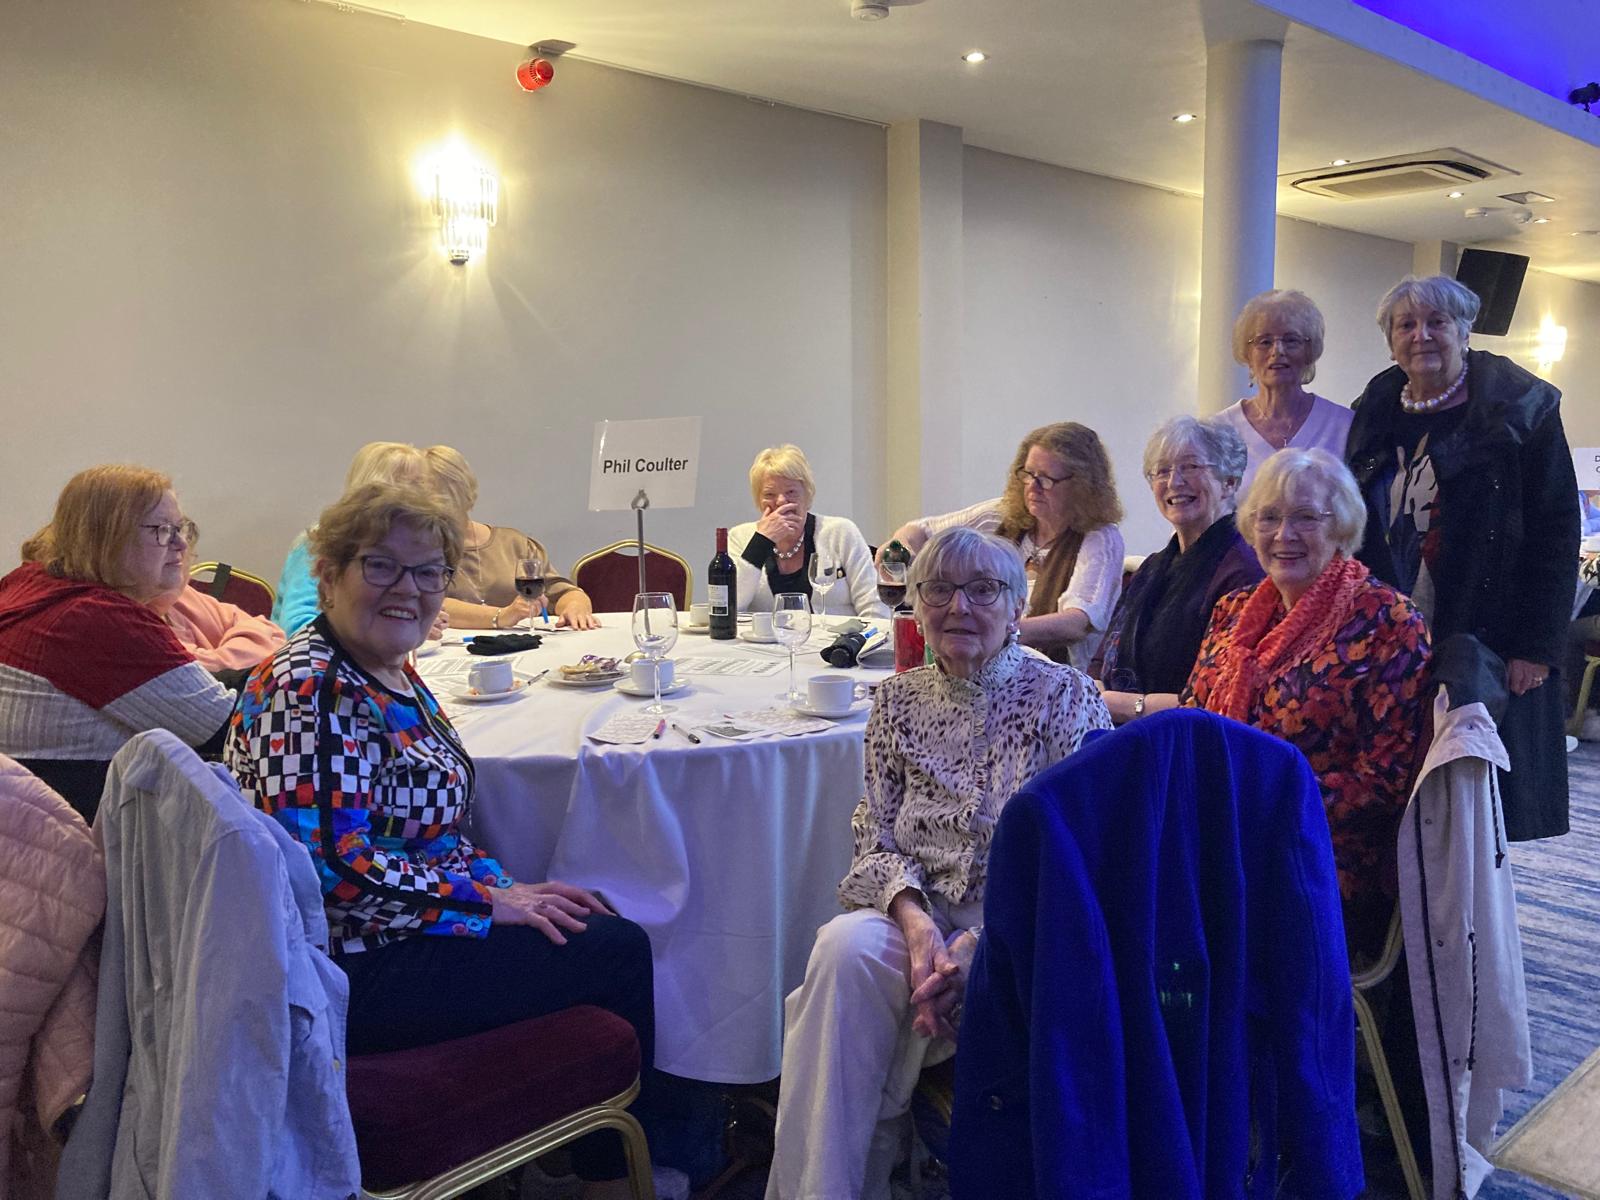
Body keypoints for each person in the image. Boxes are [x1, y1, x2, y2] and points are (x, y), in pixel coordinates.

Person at [225, 483, 654, 1199]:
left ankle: (585, 1150)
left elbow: (432, 836)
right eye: (382, 566)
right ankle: (623, 1174)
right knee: (615, 949)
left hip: (394, 929)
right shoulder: (311, 690)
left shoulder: (385, 667)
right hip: (350, 967)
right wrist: (487, 903)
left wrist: (505, 886)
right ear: (328, 573)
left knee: (589, 913)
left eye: (429, 572)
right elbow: (333, 868)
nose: (410, 589)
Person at [766, 527, 1111, 1200]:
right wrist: (919, 926)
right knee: (843, 949)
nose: (959, 607)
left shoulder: (1065, 696)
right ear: (917, 606)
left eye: (983, 591)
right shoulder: (896, 702)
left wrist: (978, 943)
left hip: (1026, 925)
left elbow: (1084, 854)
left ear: (1017, 607)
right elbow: (873, 834)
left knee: (950, 975)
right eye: (940, 590)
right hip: (916, 906)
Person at [1346, 274, 1578, 841]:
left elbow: (1555, 530)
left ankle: (1470, 898)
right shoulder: (1376, 407)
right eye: (1406, 325)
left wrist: (1535, 647)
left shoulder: (1521, 408)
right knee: (1394, 784)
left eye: (1437, 322)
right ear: (1390, 341)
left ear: (1465, 331)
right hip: (1388, 633)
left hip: (1484, 630)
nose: (1421, 335)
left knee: (1472, 796)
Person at [1183, 448, 1431, 955]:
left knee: (1160, 901)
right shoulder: (1233, 611)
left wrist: (1255, 802)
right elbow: (1193, 716)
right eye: (1268, 518)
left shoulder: (1389, 622)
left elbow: (1382, 782)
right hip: (1218, 824)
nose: (1283, 535)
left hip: (1313, 850)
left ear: (1340, 527)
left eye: (1304, 518)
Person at [0, 466, 234, 820]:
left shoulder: (27, 583)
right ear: (107, 537)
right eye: (162, 530)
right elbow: (223, 727)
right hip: (88, 828)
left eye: (181, 528)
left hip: (32, 821)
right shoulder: (94, 618)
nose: (181, 544)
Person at [881, 423, 1124, 670]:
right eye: (1028, 474)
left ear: (1081, 486)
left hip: (1055, 673)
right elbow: (919, 530)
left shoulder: (1100, 538)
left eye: (1046, 479)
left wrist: (990, 630)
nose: (1032, 487)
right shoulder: (1002, 516)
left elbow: (1076, 623)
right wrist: (901, 550)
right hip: (987, 667)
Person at [1094, 415, 1262, 723]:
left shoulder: (1243, 570)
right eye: (1162, 471)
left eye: (1191, 467)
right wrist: (1093, 692)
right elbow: (1102, 658)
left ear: (1229, 482)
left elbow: (1221, 695)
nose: (1174, 482)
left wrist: (1125, 705)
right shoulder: (1152, 567)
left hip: (1185, 737)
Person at [428, 444, 600, 630]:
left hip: (521, 644)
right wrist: (502, 616)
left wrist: (575, 607)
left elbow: (563, 592)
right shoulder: (417, 550)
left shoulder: (514, 544)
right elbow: (430, 603)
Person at [1215, 289, 1354, 494]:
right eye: (1265, 342)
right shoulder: (1217, 432)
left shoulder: (1344, 425)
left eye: (1291, 340)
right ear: (1247, 353)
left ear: (1309, 351)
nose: (1277, 351)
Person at [728, 444, 886, 618]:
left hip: (838, 635)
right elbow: (730, 606)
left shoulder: (841, 533)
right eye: (769, 494)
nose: (781, 501)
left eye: (791, 492)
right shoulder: (739, 537)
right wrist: (762, 541)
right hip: (766, 636)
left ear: (808, 495)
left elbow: (876, 608)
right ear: (758, 500)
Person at [149, 543, 286, 678]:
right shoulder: (141, 627)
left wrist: (217, 661)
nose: (182, 543)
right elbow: (189, 669)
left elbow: (272, 633)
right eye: (161, 532)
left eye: (181, 531)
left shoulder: (180, 595)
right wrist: (248, 651)